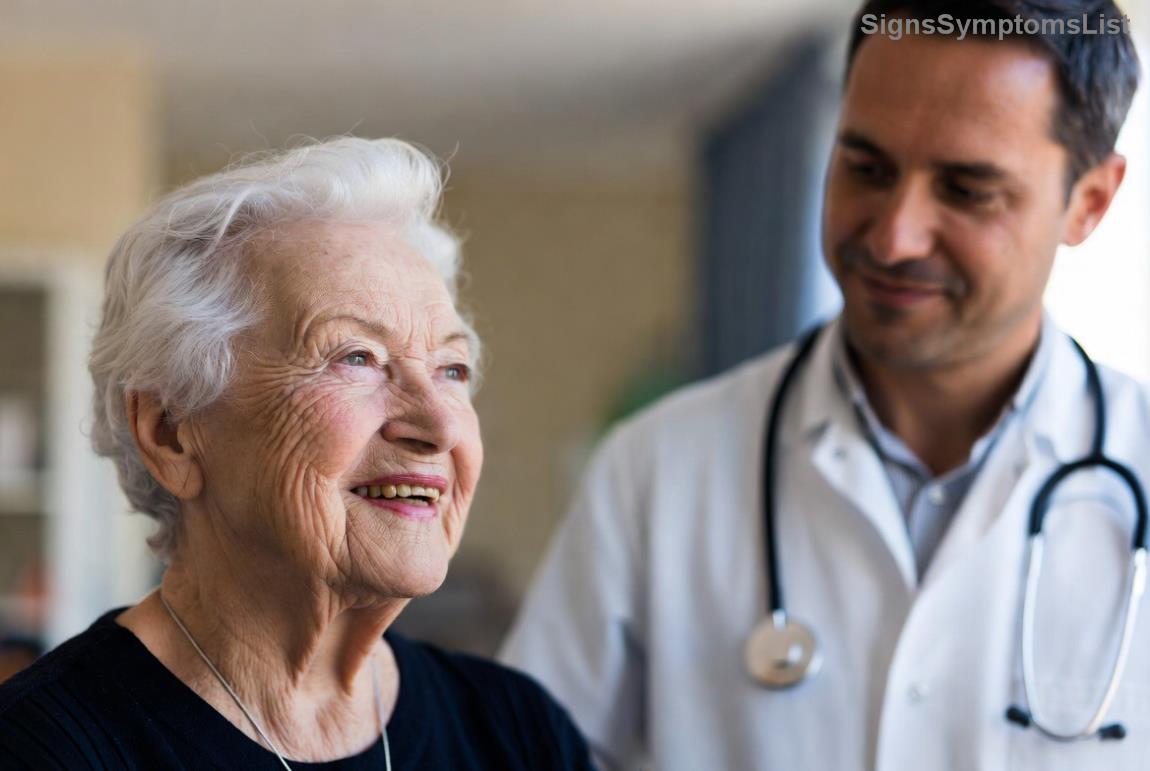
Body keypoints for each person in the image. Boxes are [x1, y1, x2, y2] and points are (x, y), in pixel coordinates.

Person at [501, 1, 1150, 768]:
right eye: (866, 167)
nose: (892, 235)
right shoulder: (656, 469)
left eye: (968, 189)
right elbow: (529, 753)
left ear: (1090, 201)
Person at [0, 137, 594, 770]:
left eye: (452, 369)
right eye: (356, 358)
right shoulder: (43, 752)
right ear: (171, 432)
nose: (440, 426)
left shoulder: (516, 731)